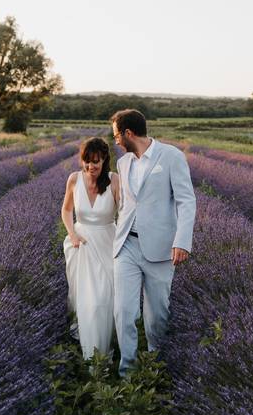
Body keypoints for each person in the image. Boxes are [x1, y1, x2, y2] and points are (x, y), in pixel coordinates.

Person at [111, 109, 196, 376]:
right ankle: (127, 374)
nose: (114, 141)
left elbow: (186, 200)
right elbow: (126, 203)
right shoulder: (123, 164)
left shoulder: (171, 156)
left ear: (128, 133)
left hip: (160, 248)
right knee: (123, 311)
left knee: (156, 316)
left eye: (116, 135)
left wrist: (182, 241)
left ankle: (155, 369)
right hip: (127, 245)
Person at [61, 137, 120, 359]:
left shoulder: (115, 181)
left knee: (105, 301)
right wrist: (72, 234)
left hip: (107, 244)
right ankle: (92, 359)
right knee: (87, 301)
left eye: (96, 161)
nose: (90, 166)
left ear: (105, 159)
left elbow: (124, 215)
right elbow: (66, 211)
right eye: (87, 161)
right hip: (81, 246)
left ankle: (103, 353)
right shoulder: (74, 180)